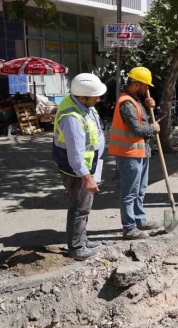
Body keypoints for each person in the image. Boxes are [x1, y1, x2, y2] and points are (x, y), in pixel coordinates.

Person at [52, 73, 107, 261]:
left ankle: (82, 239)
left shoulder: (82, 104)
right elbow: (75, 156)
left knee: (85, 205)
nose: (98, 99)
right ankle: (76, 247)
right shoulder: (71, 117)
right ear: (82, 97)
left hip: (88, 165)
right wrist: (87, 177)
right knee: (79, 207)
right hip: (77, 170)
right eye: (95, 97)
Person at [109, 67, 161, 240]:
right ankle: (129, 227)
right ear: (136, 84)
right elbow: (137, 129)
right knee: (130, 192)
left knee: (140, 190)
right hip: (129, 154)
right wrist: (153, 128)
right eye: (146, 86)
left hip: (141, 153)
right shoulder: (126, 103)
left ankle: (139, 219)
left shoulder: (136, 100)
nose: (148, 89)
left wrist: (148, 107)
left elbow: (142, 120)